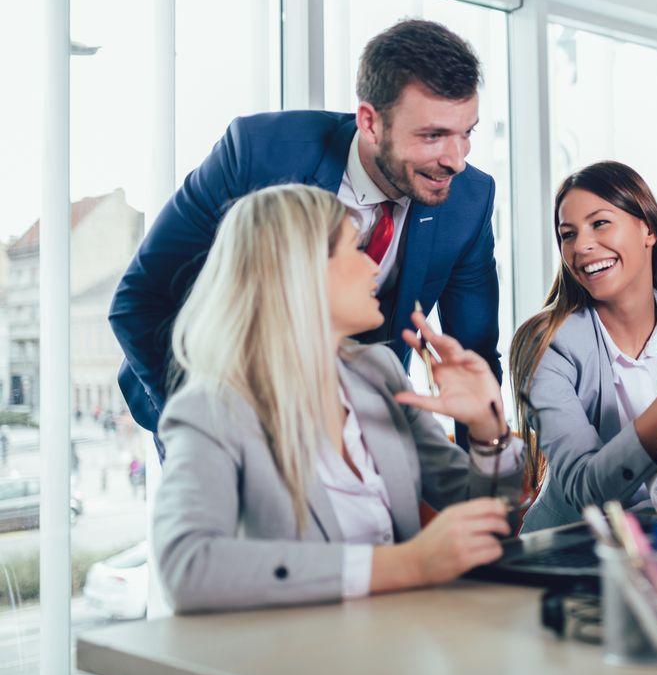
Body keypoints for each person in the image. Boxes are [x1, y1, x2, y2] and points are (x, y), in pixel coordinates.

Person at [110, 20, 501, 451]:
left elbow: (473, 356)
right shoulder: (259, 153)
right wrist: (206, 435)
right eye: (433, 136)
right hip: (227, 416)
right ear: (370, 123)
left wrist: (482, 476)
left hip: (362, 426)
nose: (457, 160)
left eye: (467, 133)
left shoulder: (468, 200)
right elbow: (141, 301)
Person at [153, 184, 522, 613]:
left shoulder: (379, 374)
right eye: (355, 248)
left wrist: (486, 429)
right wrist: (406, 565)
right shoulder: (210, 410)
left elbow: (494, 528)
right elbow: (188, 568)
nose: (374, 266)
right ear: (301, 270)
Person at [511, 162, 657, 533]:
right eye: (568, 234)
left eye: (599, 223)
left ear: (648, 229)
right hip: (571, 551)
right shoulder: (545, 343)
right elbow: (586, 490)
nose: (581, 246)